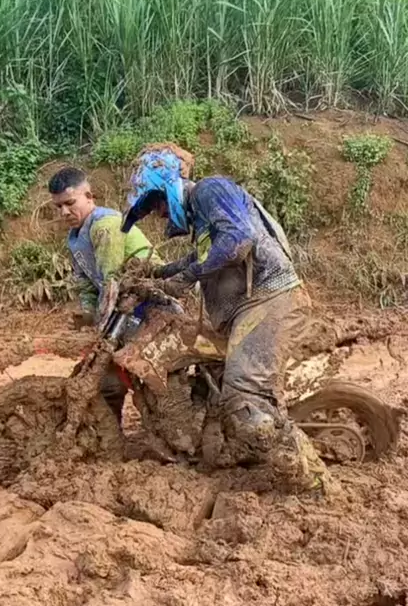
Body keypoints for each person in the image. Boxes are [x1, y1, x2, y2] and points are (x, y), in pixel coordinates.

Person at [121, 145, 330, 491]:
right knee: (218, 384)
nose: (158, 215)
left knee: (244, 394)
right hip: (247, 308)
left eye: (155, 204)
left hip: (268, 298)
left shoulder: (209, 189)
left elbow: (239, 239)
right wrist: (156, 273)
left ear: (167, 188)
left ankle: (314, 483)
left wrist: (185, 278)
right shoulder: (203, 215)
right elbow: (199, 258)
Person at [48, 166, 157, 420]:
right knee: (103, 374)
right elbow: (86, 283)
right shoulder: (75, 237)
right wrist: (87, 312)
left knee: (123, 370)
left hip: (148, 304)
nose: (64, 212)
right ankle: (108, 430)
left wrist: (100, 329)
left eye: (70, 203)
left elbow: (112, 283)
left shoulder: (104, 225)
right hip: (123, 309)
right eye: (58, 207)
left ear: (89, 196)